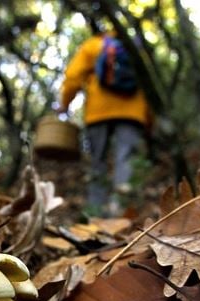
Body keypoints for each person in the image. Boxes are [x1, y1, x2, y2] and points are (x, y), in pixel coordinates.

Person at [58, 27, 151, 217]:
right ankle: (120, 213)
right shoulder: (135, 49)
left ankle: (95, 214)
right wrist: (149, 119)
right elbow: (149, 84)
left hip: (98, 112)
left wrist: (64, 103)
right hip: (132, 113)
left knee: (97, 162)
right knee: (126, 159)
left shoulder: (93, 45)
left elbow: (74, 76)